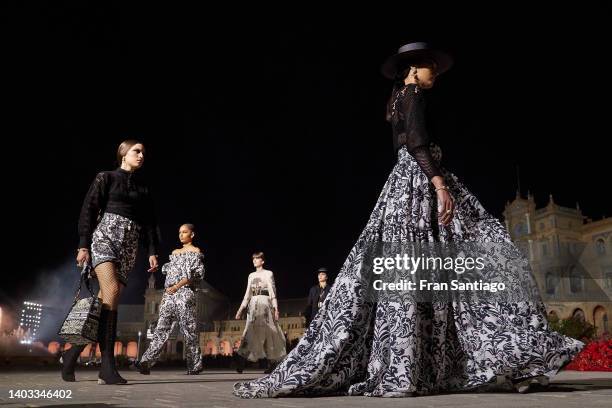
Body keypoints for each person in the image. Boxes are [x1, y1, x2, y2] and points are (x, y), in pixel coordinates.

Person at [232, 42, 583, 398]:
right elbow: (417, 142)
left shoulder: (397, 98)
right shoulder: (413, 94)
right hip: (421, 179)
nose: (437, 74)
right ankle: (512, 356)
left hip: (403, 185)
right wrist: (440, 184)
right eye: (432, 66)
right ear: (414, 68)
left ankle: (450, 361)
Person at [62, 139, 160, 384]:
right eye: (137, 151)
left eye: (143, 152)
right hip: (105, 237)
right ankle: (107, 368)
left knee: (108, 302)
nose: (141, 155)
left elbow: (150, 222)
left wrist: (152, 250)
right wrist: (83, 244)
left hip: (129, 245)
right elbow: (88, 209)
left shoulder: (143, 188)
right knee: (112, 290)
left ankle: (71, 354)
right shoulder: (105, 177)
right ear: (123, 154)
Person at [136, 223, 205, 375]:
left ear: (192, 234)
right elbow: (170, 273)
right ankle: (146, 361)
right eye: (179, 232)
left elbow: (192, 275)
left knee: (189, 330)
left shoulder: (195, 251)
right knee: (161, 328)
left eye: (185, 232)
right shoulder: (175, 252)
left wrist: (177, 287)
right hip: (169, 294)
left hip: (185, 293)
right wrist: (168, 291)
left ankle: (194, 364)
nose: (181, 235)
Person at [234, 252, 286, 374]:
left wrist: (276, 308)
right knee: (248, 331)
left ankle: (272, 363)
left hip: (265, 305)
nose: (255, 261)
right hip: (253, 306)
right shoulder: (251, 275)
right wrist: (240, 309)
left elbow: (273, 292)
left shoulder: (268, 273)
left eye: (257, 259)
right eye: (253, 259)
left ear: (262, 261)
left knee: (268, 333)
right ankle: (241, 361)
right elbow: (247, 294)